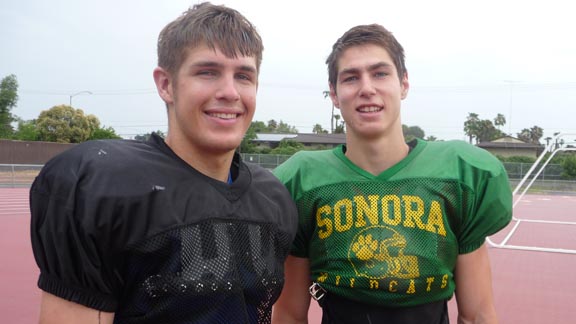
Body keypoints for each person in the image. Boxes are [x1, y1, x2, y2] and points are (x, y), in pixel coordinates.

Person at [30, 3, 298, 324]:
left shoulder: (273, 198)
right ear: (166, 84)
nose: (229, 92)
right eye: (207, 72)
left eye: (243, 75)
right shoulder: (107, 186)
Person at [272, 24, 512, 324]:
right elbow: (290, 315)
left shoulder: (459, 176)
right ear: (334, 94)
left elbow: (477, 315)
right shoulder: (303, 181)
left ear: (404, 84)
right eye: (351, 77)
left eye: (380, 73)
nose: (367, 88)